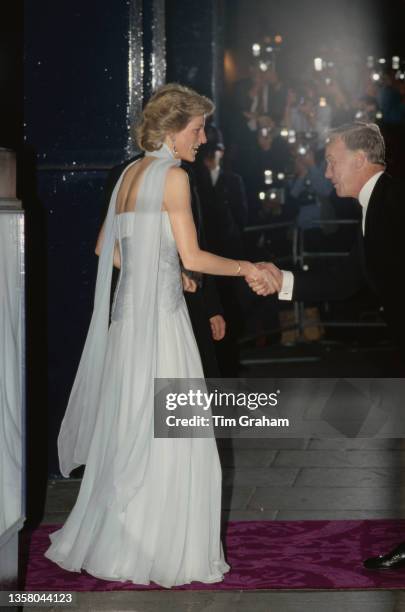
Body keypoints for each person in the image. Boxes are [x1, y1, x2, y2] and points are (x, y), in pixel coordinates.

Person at [44, 83, 278, 587]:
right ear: (174, 131)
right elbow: (193, 256)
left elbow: (107, 249)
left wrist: (164, 272)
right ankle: (165, 549)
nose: (203, 138)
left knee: (132, 426)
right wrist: (248, 267)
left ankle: (122, 541)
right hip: (164, 325)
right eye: (198, 129)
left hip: (129, 324)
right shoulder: (173, 177)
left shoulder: (130, 173)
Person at [248, 121, 405, 570]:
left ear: (360, 159)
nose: (327, 170)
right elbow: (346, 280)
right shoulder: (374, 204)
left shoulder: (393, 201)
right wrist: (283, 281)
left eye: (333, 160)